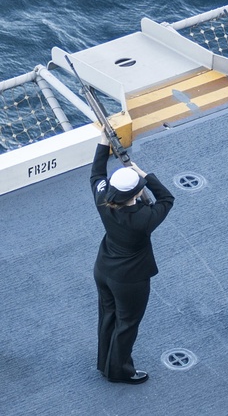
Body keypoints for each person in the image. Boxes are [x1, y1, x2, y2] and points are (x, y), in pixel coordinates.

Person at [90, 138, 174, 384]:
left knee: (108, 315)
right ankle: (119, 370)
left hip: (104, 269)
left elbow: (96, 174)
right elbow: (167, 199)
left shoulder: (103, 199)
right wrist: (143, 174)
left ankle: (104, 361)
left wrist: (104, 144)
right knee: (127, 324)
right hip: (130, 280)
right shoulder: (143, 218)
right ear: (137, 192)